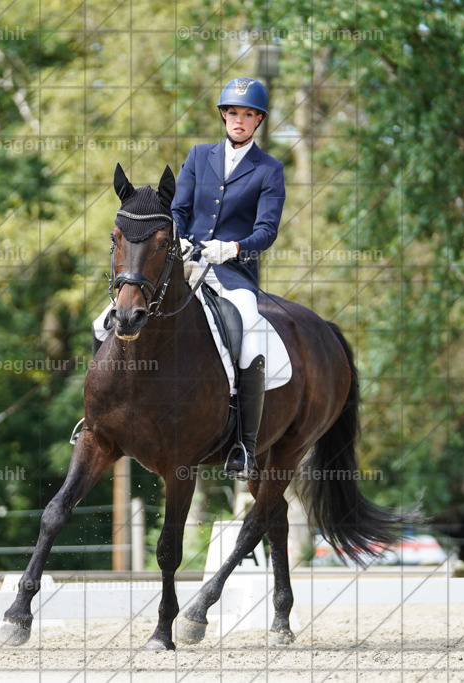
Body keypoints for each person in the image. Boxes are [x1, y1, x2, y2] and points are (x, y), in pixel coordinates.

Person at [171, 76, 286, 479]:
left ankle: (245, 444)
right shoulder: (198, 156)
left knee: (251, 328)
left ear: (258, 121)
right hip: (185, 261)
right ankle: (97, 419)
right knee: (117, 310)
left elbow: (267, 230)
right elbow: (178, 209)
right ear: (223, 115)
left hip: (233, 271)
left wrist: (233, 248)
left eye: (248, 114)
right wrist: (180, 240)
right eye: (233, 112)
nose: (240, 120)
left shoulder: (269, 169)